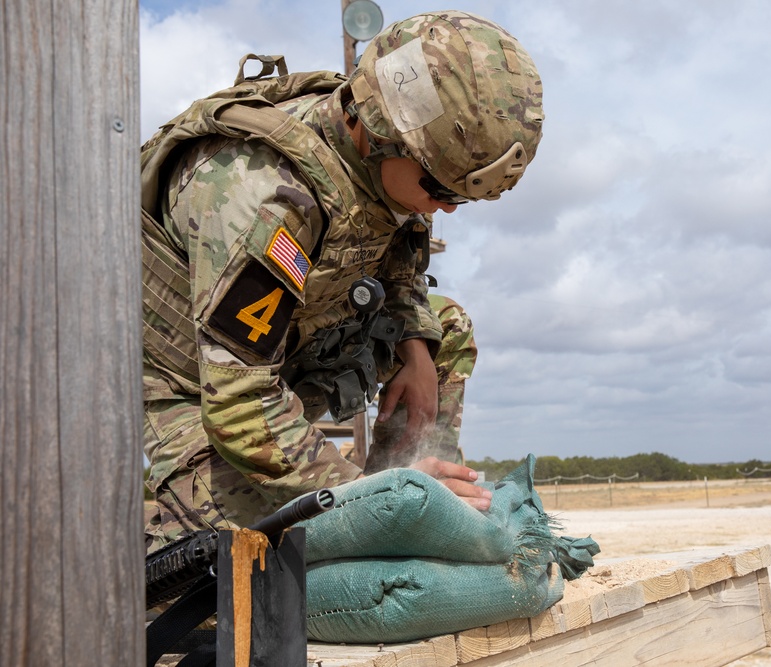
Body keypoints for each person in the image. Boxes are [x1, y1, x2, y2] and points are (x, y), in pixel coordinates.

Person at [140, 11, 544, 552]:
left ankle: (427, 489)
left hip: (287, 354)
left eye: (461, 198)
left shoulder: (388, 163)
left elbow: (399, 257)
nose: (445, 207)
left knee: (443, 329)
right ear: (377, 134)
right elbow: (238, 402)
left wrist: (415, 346)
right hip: (198, 389)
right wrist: (368, 500)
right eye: (437, 188)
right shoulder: (264, 196)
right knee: (243, 561)